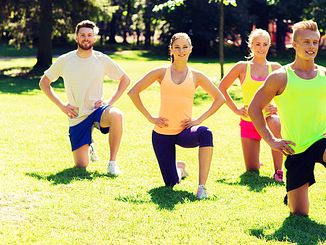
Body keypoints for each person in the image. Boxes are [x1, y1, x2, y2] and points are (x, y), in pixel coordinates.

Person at [248, 21, 326, 232]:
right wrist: (271, 140)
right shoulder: (280, 76)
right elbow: (255, 107)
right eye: (306, 42)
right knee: (299, 213)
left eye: (315, 42)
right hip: (295, 149)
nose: (311, 46)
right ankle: (292, 194)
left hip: (321, 140)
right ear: (294, 44)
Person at [127, 32, 225, 199]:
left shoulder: (197, 76)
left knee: (206, 133)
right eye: (177, 47)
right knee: (171, 184)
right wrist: (150, 117)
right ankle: (180, 169)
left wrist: (198, 120)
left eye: (185, 47)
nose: (181, 51)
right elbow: (133, 92)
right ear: (171, 50)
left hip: (184, 132)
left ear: (190, 49)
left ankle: (202, 187)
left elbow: (220, 99)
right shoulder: (161, 72)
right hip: (162, 134)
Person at [39, 20, 131, 175]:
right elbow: (44, 83)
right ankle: (90, 146)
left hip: (97, 110)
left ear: (94, 38)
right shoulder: (65, 60)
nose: (86, 38)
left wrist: (110, 101)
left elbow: (125, 79)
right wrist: (62, 105)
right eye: (82, 35)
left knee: (117, 115)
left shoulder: (101, 59)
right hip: (77, 115)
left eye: (89, 35)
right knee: (81, 165)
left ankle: (112, 162)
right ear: (76, 38)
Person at [218, 29, 284, 181]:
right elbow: (221, 88)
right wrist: (235, 109)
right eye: (258, 44)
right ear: (251, 45)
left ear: (269, 46)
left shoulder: (276, 68)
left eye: (265, 44)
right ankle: (256, 162)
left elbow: (289, 92)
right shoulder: (242, 67)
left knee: (276, 123)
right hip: (249, 121)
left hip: (268, 117)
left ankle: (278, 171)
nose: (261, 48)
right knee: (252, 170)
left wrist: (277, 107)